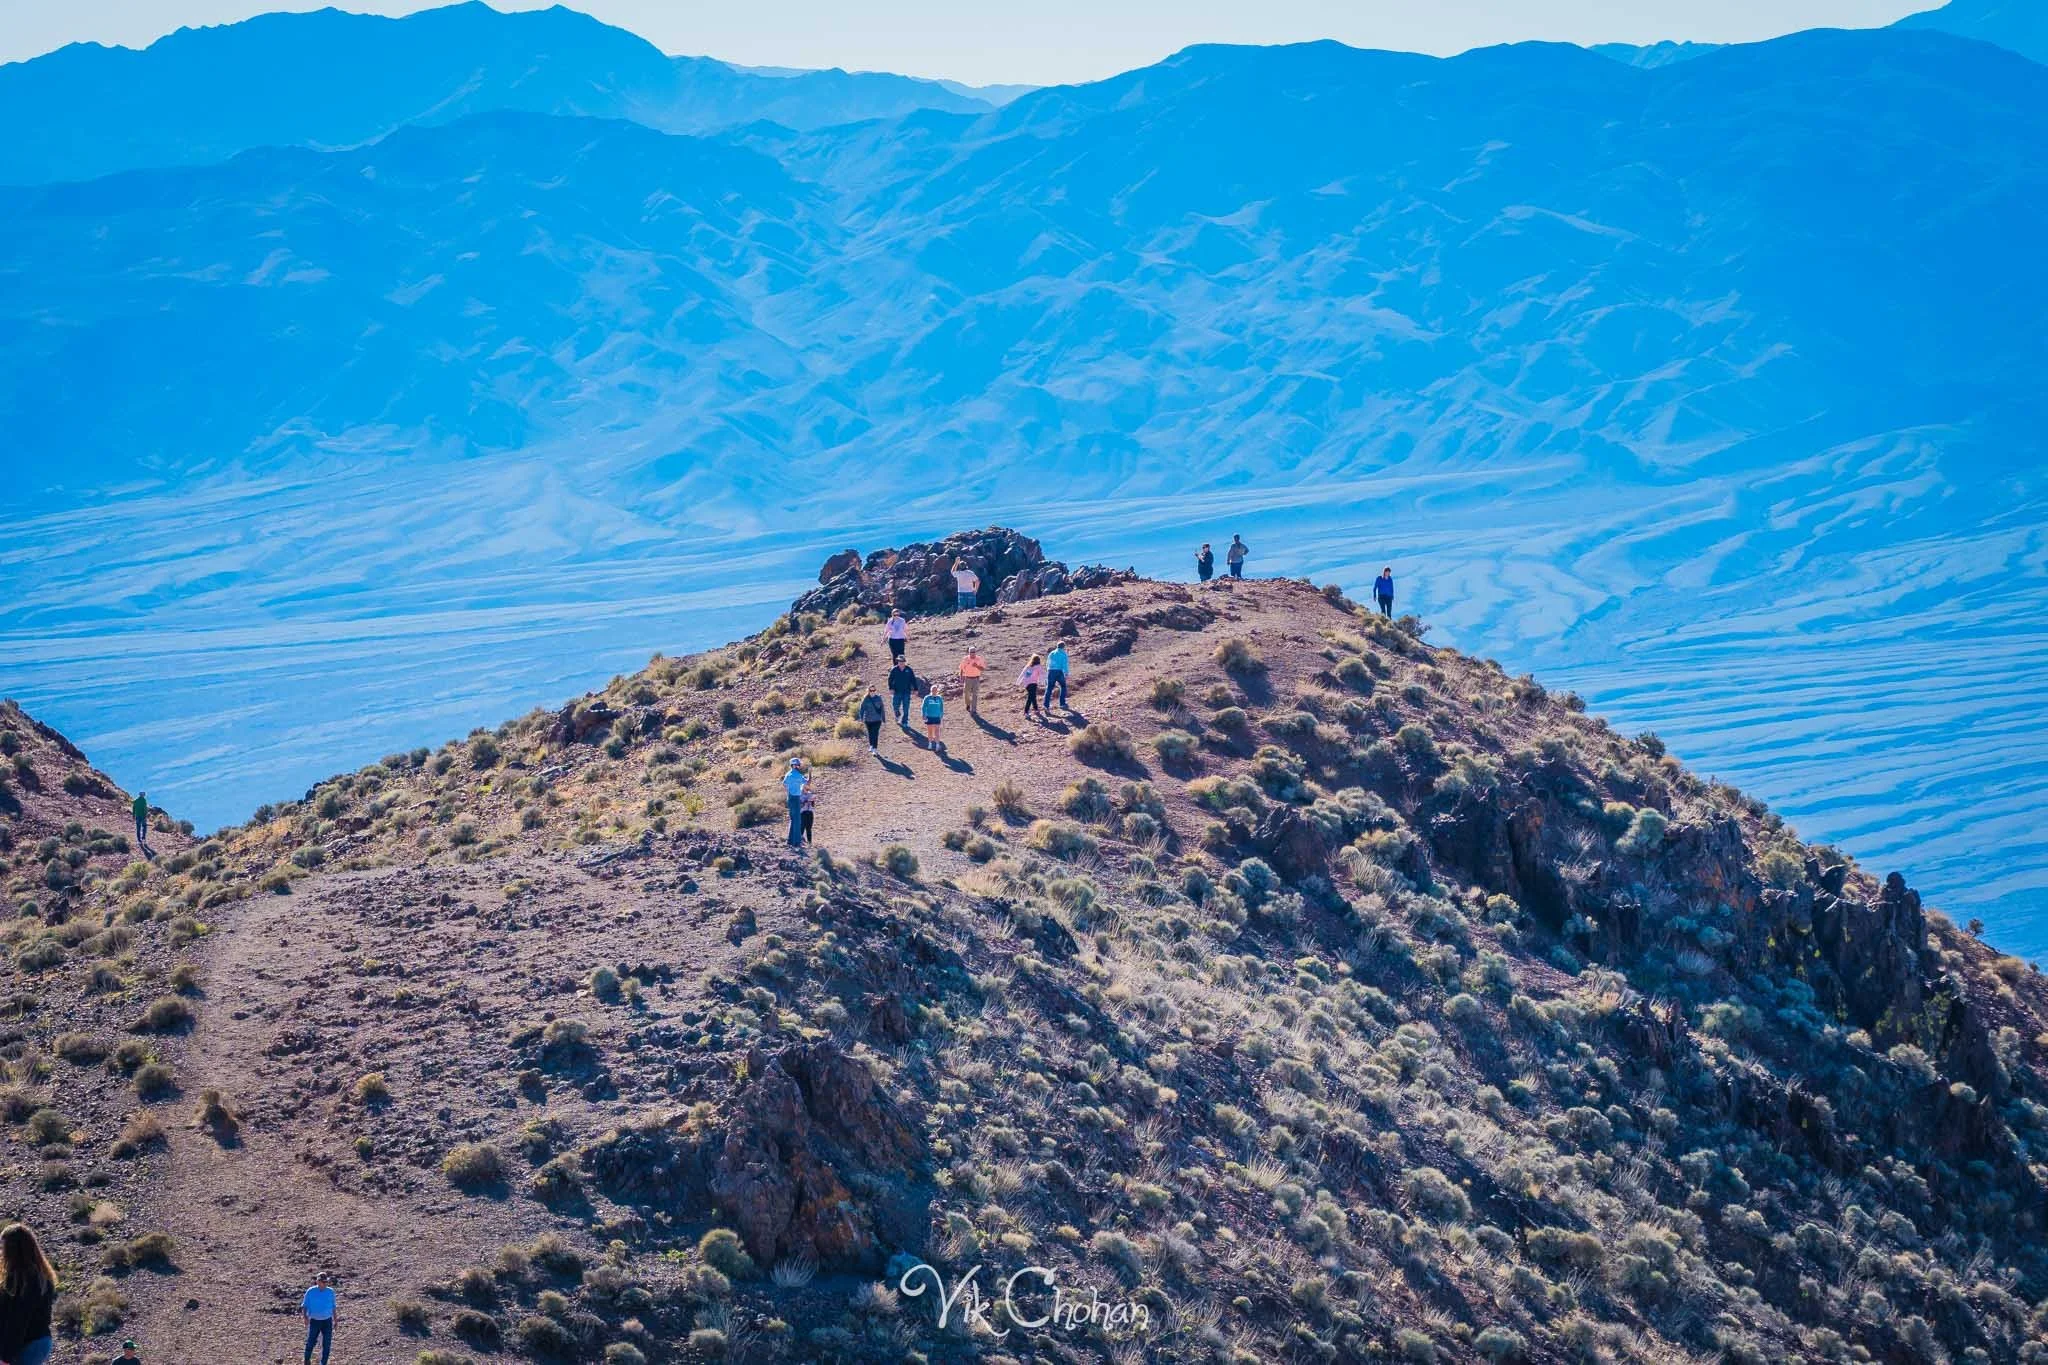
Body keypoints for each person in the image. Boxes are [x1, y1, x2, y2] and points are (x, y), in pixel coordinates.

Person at [0, 1223, 57, 1365]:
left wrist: (6, 1357)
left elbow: (18, 1320)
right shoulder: (41, 1276)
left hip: (28, 1344)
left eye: (3, 1247)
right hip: (38, 1342)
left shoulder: (23, 1280)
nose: (1, 1252)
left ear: (14, 1250)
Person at [302, 1272, 337, 1365]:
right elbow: (305, 1306)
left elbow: (333, 1307)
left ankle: (323, 1363)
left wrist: (335, 1320)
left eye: (326, 1282)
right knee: (311, 1342)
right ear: (317, 1281)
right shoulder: (310, 1291)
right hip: (314, 1320)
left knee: (327, 1344)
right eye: (323, 1282)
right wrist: (305, 1317)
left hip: (327, 1321)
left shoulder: (330, 1292)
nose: (325, 1284)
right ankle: (306, 1360)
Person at [781, 758, 808, 849]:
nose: (798, 766)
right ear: (793, 765)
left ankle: (790, 841)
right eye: (797, 765)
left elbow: (784, 783)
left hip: (790, 797)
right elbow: (806, 782)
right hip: (795, 798)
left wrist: (790, 789)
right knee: (797, 820)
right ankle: (796, 842)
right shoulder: (798, 775)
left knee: (793, 819)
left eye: (798, 765)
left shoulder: (788, 774)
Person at [887, 660, 919, 727]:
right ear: (898, 662)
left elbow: (913, 679)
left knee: (906, 708)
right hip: (896, 691)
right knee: (895, 705)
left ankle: (905, 721)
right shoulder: (894, 669)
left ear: (905, 662)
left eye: (902, 661)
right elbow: (890, 679)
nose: (901, 663)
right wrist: (891, 688)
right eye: (899, 661)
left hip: (906, 692)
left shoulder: (909, 670)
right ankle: (897, 714)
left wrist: (916, 689)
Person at [857, 688, 886, 755]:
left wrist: (883, 718)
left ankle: (875, 749)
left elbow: (882, 708)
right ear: (868, 691)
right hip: (868, 719)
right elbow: (862, 709)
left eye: (874, 690)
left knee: (875, 734)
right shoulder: (866, 699)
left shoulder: (878, 698)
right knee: (870, 733)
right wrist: (861, 718)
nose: (872, 692)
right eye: (871, 691)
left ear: (875, 691)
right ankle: (871, 745)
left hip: (877, 719)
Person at [958, 647, 987, 713]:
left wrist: (977, 666)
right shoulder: (965, 659)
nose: (972, 653)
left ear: (975, 652)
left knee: (975, 694)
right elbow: (961, 668)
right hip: (967, 678)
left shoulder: (979, 659)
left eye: (974, 652)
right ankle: (968, 704)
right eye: (971, 652)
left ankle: (974, 709)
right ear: (969, 653)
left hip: (976, 678)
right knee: (966, 693)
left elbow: (983, 669)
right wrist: (961, 677)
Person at [921, 687, 946, 754]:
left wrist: (941, 715)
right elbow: (923, 707)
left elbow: (941, 708)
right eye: (933, 690)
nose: (934, 691)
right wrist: (923, 715)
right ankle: (930, 744)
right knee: (930, 731)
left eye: (935, 690)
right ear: (931, 690)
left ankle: (937, 745)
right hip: (929, 717)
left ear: (937, 691)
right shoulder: (927, 698)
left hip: (937, 717)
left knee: (937, 731)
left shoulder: (939, 698)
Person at [1046, 643, 1071, 710]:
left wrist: (1048, 670)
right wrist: (1066, 673)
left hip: (1051, 671)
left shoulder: (1052, 653)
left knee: (1049, 688)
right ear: (1063, 647)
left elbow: (1047, 663)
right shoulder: (1063, 654)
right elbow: (1065, 664)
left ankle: (1046, 705)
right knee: (1063, 686)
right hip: (1059, 671)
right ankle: (1062, 704)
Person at [799, 776, 816, 845]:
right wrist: (806, 801)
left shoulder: (810, 794)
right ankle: (800, 842)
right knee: (802, 828)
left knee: (809, 828)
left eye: (808, 787)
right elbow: (800, 805)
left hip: (810, 812)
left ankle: (809, 843)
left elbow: (813, 805)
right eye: (806, 787)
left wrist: (812, 801)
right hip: (803, 813)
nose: (807, 788)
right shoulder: (799, 795)